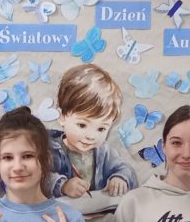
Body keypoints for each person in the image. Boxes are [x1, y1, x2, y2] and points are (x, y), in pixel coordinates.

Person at [48, 63, 138, 199]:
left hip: (96, 210)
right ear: (62, 117)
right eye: (82, 125)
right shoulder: (50, 149)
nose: (91, 136)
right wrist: (63, 185)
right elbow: (39, 178)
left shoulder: (104, 151)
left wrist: (120, 178)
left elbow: (125, 169)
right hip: (61, 211)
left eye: (101, 128)